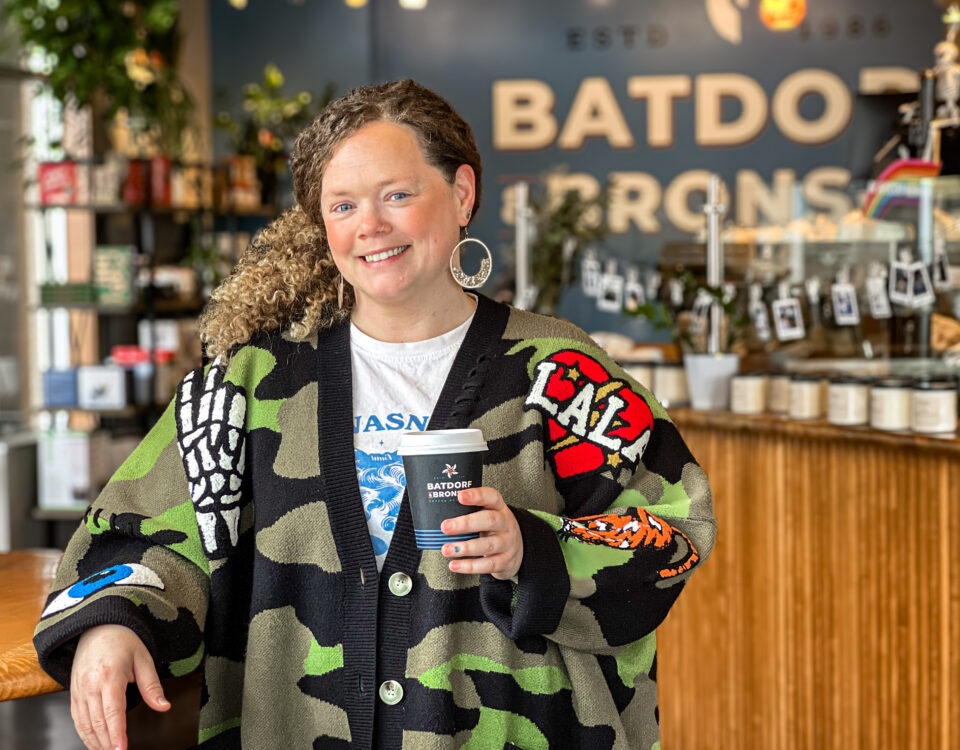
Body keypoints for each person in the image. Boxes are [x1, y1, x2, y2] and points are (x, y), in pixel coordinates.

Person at [34, 79, 716, 750]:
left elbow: (672, 529)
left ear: (462, 195)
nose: (371, 226)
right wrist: (113, 623)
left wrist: (532, 551)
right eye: (344, 206)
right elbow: (144, 530)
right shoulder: (254, 379)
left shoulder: (562, 372)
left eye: (397, 194)